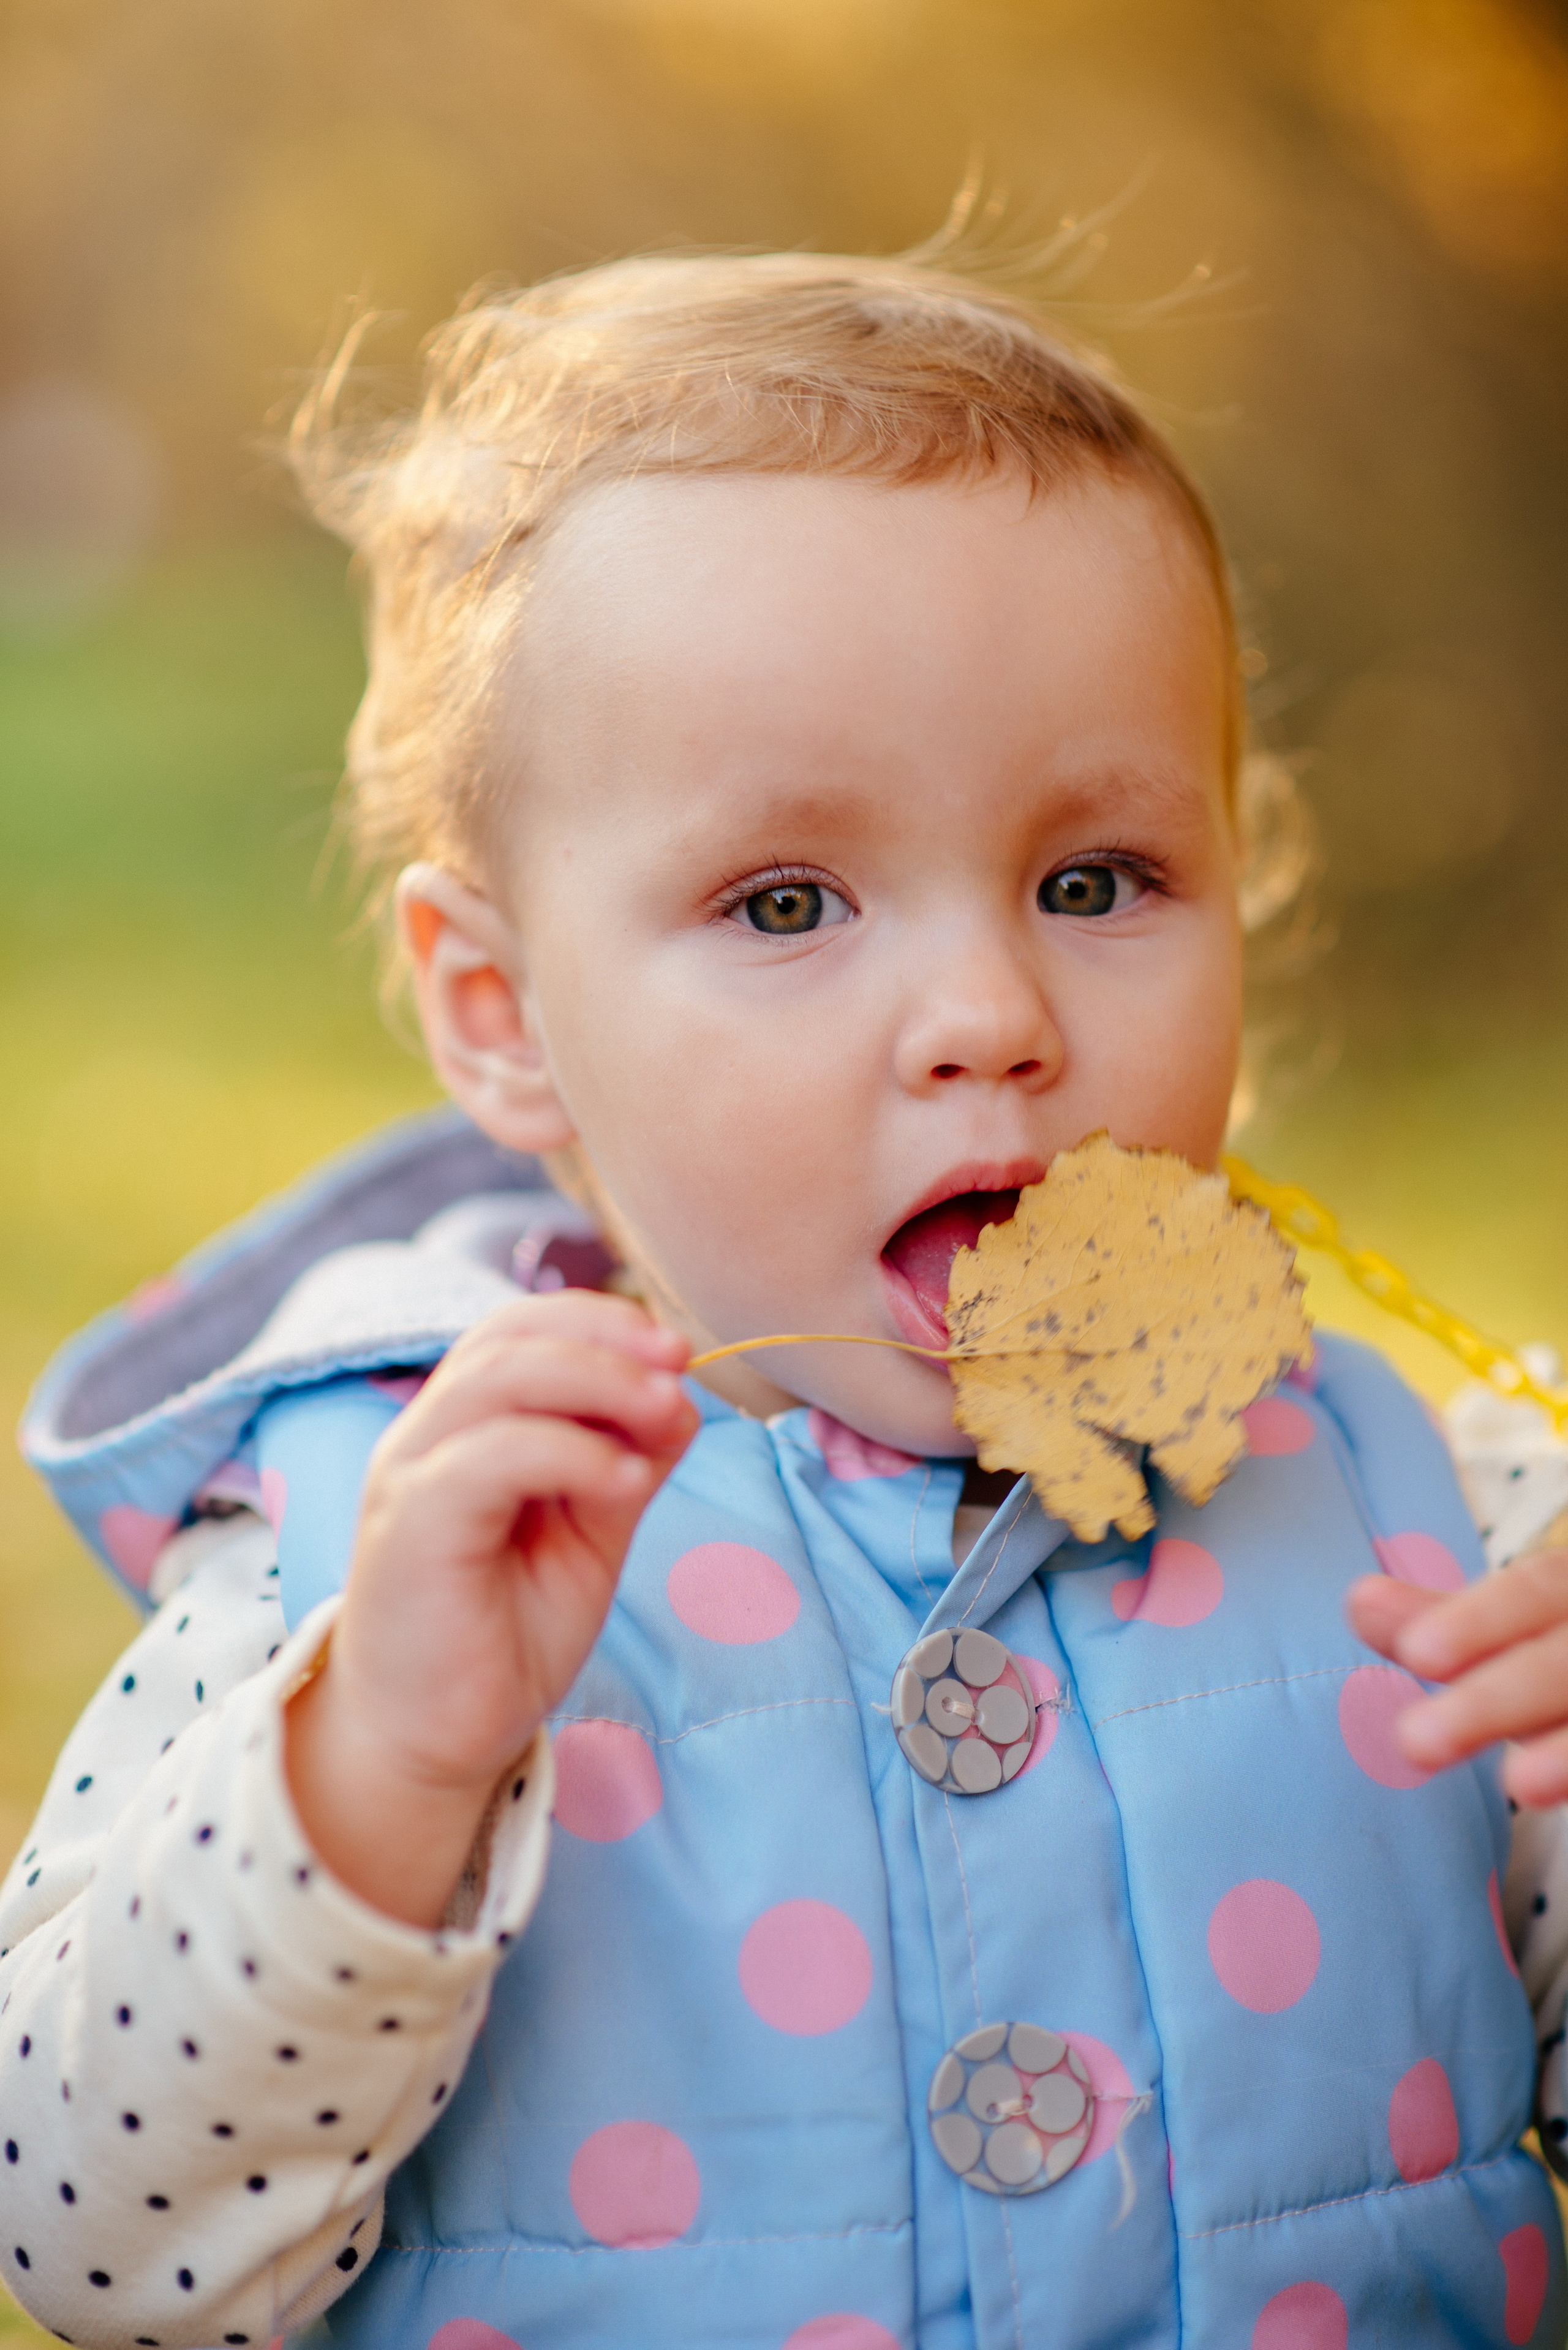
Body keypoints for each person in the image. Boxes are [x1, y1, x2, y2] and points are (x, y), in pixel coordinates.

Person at [9, 250, 1568, 2350]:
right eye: (787, 902)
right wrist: (373, 1768)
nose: (989, 1013)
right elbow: (89, 2242)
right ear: (507, 1015)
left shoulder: (1450, 1523)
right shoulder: (377, 1556)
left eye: (1092, 881)